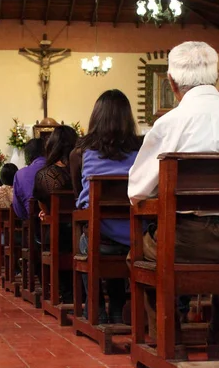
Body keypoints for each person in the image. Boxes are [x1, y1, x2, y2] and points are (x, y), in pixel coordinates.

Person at [127, 41, 219, 360]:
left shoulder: (169, 123)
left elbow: (137, 192)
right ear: (216, 77)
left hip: (187, 242)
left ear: (173, 83)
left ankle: (170, 343)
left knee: (138, 256)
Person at [69, 90, 142, 323]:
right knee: (113, 230)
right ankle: (119, 310)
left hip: (100, 240)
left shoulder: (80, 152)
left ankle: (96, 308)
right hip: (136, 239)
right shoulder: (141, 150)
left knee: (87, 240)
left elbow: (77, 196)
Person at [33, 126, 78, 304]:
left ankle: (66, 293)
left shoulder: (45, 174)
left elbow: (44, 208)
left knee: (51, 229)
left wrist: (47, 214)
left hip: (60, 236)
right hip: (86, 231)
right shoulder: (82, 169)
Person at [12, 138, 46, 220]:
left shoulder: (20, 174)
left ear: (28, 154)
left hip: (32, 220)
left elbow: (18, 208)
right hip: (60, 220)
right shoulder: (55, 167)